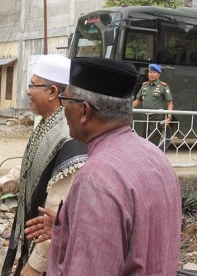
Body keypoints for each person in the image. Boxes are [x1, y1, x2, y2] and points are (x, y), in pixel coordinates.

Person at [40, 57, 181, 275]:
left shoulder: (97, 179)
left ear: (85, 111)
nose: (62, 108)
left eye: (65, 99)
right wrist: (67, 229)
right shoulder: (157, 157)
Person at [0, 54, 87, 276]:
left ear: (52, 92)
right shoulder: (48, 123)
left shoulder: (68, 135)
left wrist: (35, 266)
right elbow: (34, 166)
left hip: (53, 258)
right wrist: (4, 184)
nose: (28, 91)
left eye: (33, 85)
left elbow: (54, 212)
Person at [132, 63, 173, 148]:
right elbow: (138, 101)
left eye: (154, 72)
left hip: (157, 117)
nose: (151, 74)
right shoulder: (145, 86)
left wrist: (169, 118)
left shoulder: (163, 86)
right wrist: (127, 109)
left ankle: (151, 158)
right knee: (144, 139)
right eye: (150, 72)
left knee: (152, 142)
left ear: (158, 74)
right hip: (146, 117)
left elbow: (170, 103)